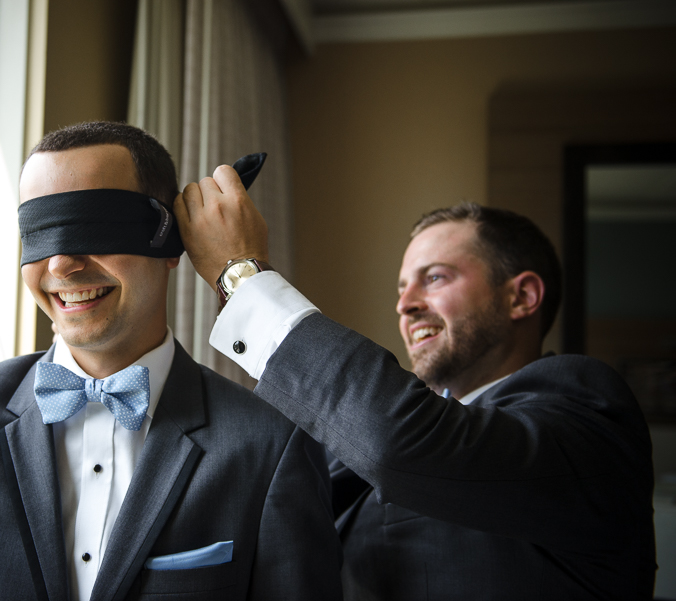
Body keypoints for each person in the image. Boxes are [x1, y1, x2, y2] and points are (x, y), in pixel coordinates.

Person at [0, 122, 342, 601]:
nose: (60, 265)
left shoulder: (272, 444)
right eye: (39, 233)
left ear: (171, 242)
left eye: (93, 225)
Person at [173, 166, 656, 600]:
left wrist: (241, 276)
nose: (406, 305)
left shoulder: (587, 412)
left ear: (522, 296)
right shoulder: (362, 440)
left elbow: (400, 442)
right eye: (402, 288)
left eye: (436, 278)